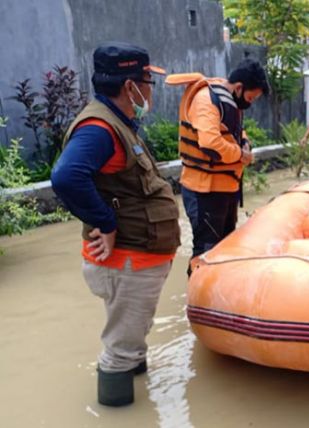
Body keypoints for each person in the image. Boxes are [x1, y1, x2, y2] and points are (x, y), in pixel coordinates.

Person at [51, 42, 180, 407]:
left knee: (130, 337)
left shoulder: (118, 121)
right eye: (147, 81)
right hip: (127, 261)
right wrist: (105, 222)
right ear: (130, 87)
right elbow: (66, 177)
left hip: (135, 260)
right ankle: (116, 408)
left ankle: (136, 384)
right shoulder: (99, 129)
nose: (150, 90)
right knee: (119, 350)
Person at [170, 59, 269, 273]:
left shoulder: (230, 101)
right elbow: (210, 143)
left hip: (226, 189)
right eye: (250, 98)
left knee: (224, 247)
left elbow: (235, 132)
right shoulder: (206, 100)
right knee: (206, 250)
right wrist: (240, 154)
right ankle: (197, 299)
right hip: (204, 189)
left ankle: (217, 295)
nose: (250, 103)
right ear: (239, 87)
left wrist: (245, 143)